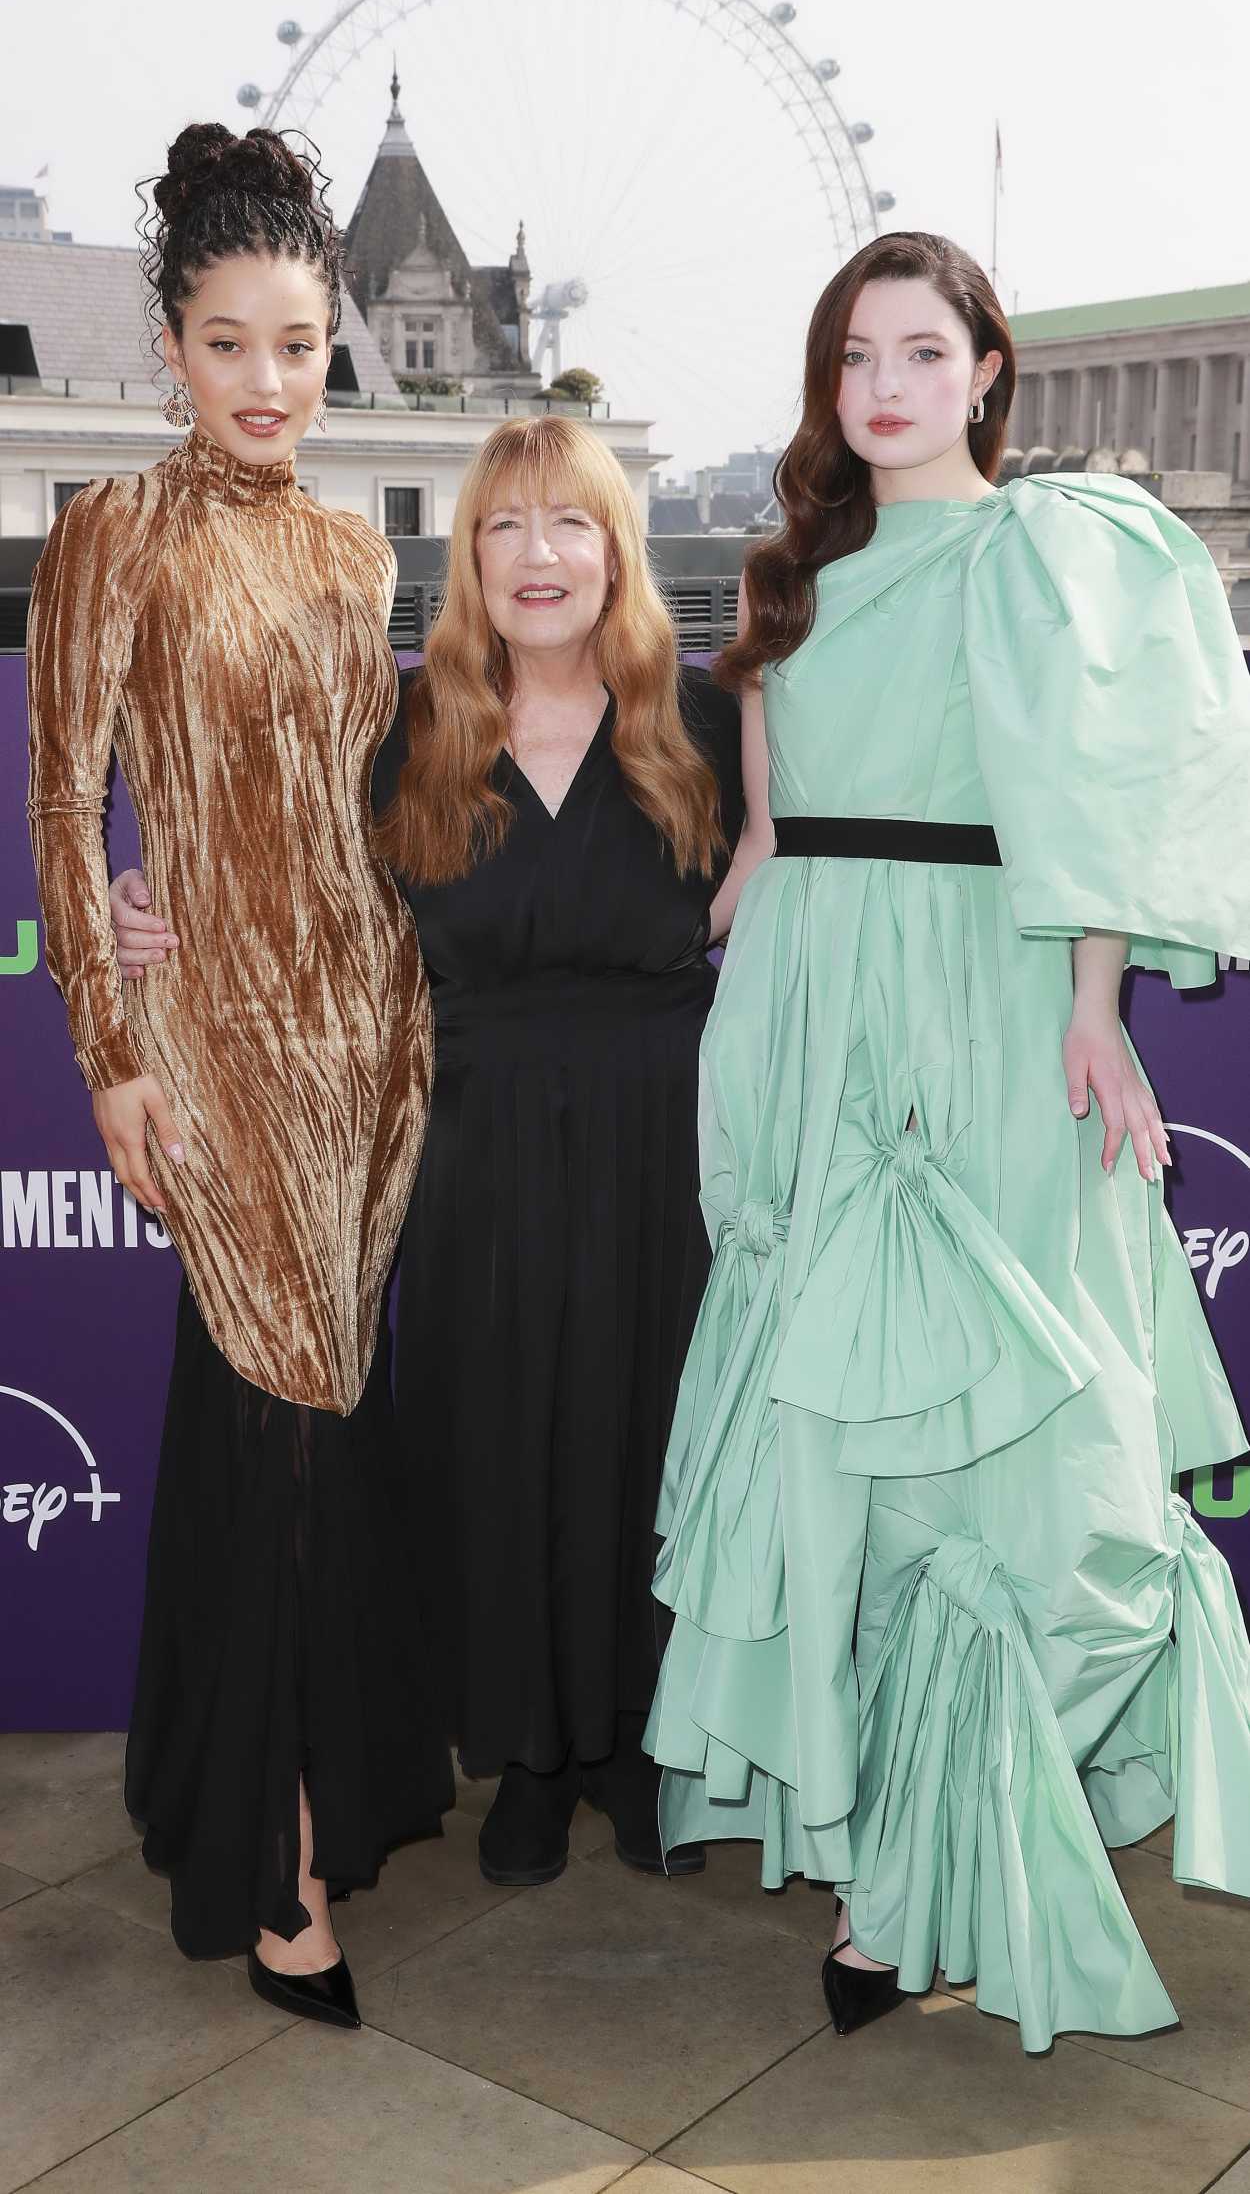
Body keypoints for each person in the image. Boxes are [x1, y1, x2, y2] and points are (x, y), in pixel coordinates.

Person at [643, 230, 1250, 2052]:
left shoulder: (1049, 549)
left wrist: (1093, 1004)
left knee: (1036, 1468)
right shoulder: (790, 578)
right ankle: (880, 1870)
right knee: (841, 1447)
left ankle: (948, 1843)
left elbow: (1098, 798)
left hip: (985, 1008)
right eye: (854, 355)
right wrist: (704, 987)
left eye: (920, 350)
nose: (884, 386)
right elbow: (768, 838)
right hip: (808, 1018)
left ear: (987, 370)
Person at [112, 413, 756, 1890]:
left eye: (570, 522)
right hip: (469, 1143)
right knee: (495, 1439)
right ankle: (526, 1756)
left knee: (654, 1431)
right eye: (503, 526)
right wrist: (151, 897)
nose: (539, 556)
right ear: (467, 558)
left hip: (667, 1140)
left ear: (617, 550)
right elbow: (281, 880)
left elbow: (809, 875)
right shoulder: (405, 731)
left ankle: (637, 1743)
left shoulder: (707, 721)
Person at [27, 123, 452, 2030]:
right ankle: (275, 1863)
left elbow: (369, 805)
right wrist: (109, 1047)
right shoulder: (114, 529)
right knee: (273, 1424)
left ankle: (288, 1789)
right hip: (211, 1037)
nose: (267, 381)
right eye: (227, 344)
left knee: (319, 1435)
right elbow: (66, 802)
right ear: (172, 349)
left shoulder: (358, 548)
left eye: (297, 343)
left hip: (372, 1032)